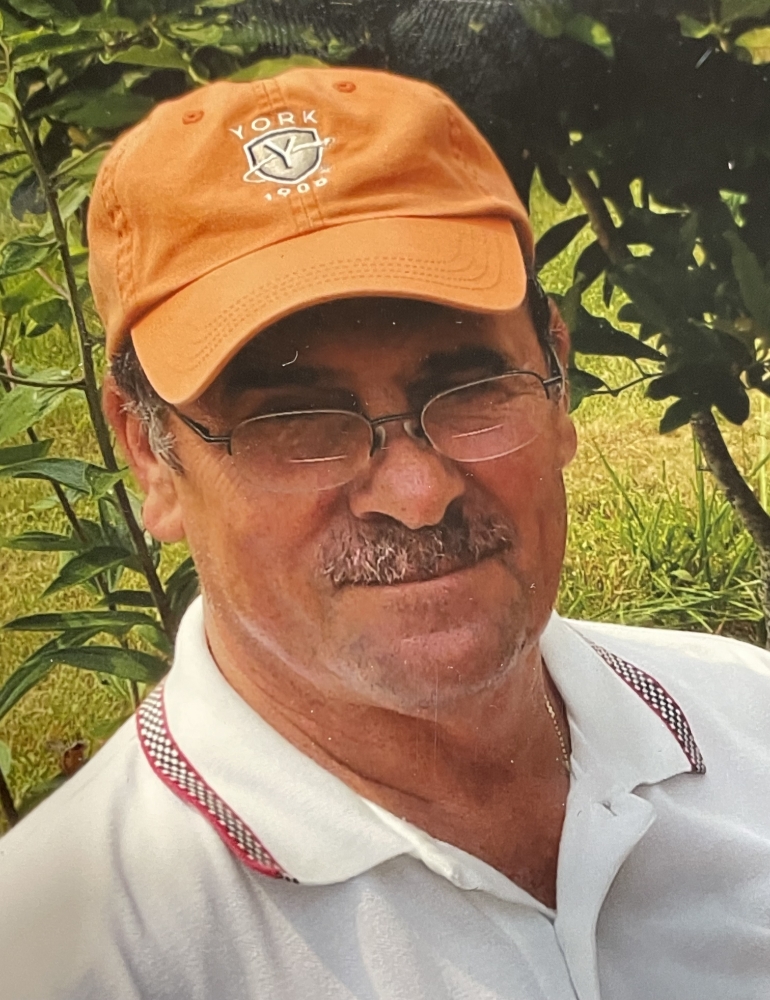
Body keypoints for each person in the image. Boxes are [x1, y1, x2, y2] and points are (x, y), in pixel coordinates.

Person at [0, 66, 768, 1000]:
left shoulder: (749, 723)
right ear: (151, 459)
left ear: (558, 378)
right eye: (292, 420)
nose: (417, 493)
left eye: (471, 386)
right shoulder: (67, 956)